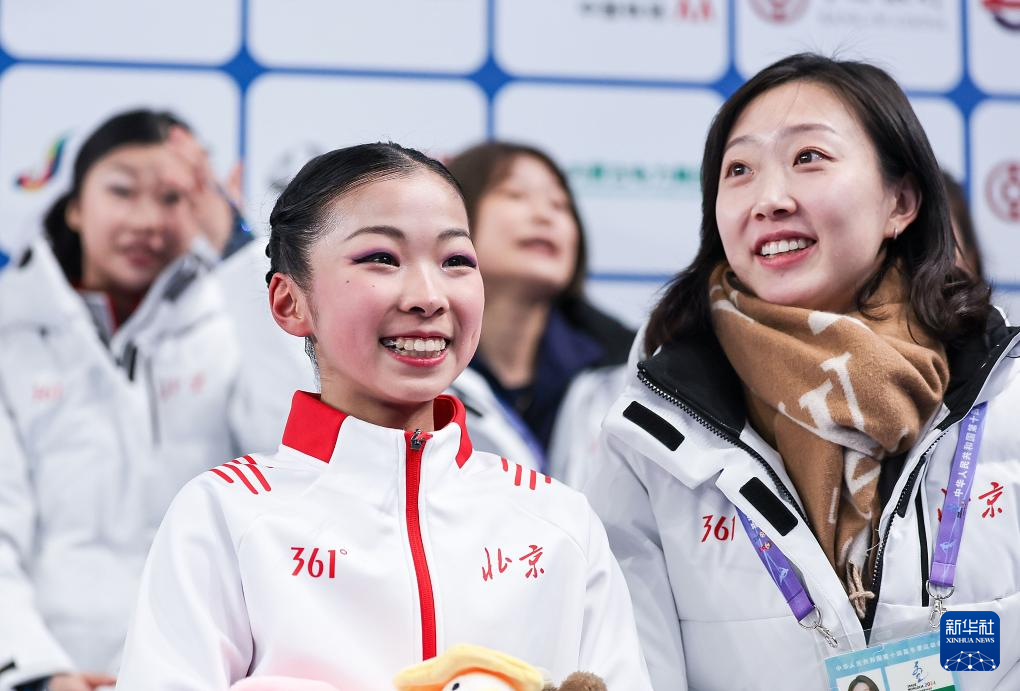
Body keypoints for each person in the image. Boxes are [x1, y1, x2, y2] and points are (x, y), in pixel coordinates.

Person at [115, 143, 651, 689]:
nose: (429, 296)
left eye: (456, 261)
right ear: (289, 303)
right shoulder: (223, 516)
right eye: (382, 258)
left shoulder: (560, 521)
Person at [585, 54, 1019, 690]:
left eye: (809, 157)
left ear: (900, 202)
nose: (769, 199)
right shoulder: (647, 434)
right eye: (739, 170)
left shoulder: (1004, 395)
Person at [0, 109, 243, 691]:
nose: (146, 220)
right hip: (58, 672)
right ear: (75, 206)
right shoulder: (10, 333)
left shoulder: (240, 326)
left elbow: (302, 474)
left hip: (206, 672)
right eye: (122, 190)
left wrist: (240, 251)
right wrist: (36, 672)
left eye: (173, 197)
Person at [446, 143, 635, 485]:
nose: (545, 216)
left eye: (560, 205)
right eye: (516, 195)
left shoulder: (630, 373)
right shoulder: (412, 367)